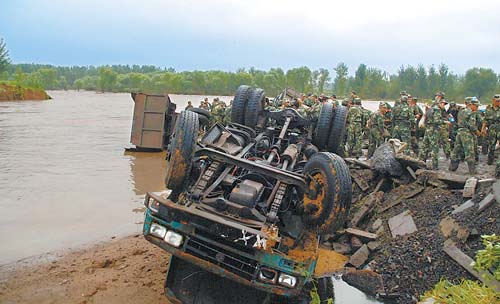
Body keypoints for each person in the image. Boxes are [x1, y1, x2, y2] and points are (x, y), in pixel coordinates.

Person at [449, 97, 480, 174]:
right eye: (476, 106)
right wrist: (477, 132)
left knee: (456, 150)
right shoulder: (471, 112)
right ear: (471, 104)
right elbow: (472, 125)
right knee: (469, 151)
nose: (477, 108)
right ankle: (472, 170)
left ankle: (452, 167)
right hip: (467, 133)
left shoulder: (461, 111)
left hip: (459, 131)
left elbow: (457, 120)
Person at [419, 101, 446, 169]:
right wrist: (445, 122)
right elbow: (437, 121)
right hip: (434, 130)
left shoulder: (430, 109)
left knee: (424, 147)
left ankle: (420, 163)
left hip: (428, 129)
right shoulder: (437, 110)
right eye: (443, 104)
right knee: (434, 148)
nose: (444, 105)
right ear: (439, 103)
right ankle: (435, 166)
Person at [484, 94, 500, 164]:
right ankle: (490, 160)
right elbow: (485, 120)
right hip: (492, 129)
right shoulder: (489, 109)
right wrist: (483, 129)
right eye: (497, 101)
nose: (498, 102)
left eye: (499, 101)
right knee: (491, 145)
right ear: (493, 101)